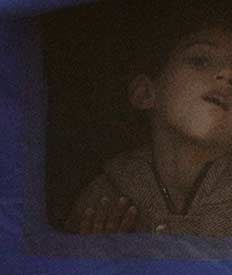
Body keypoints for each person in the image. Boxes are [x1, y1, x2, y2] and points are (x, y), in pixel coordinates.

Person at [68, 2, 232, 236]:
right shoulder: (106, 195)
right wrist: (97, 254)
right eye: (201, 60)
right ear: (145, 94)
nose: (227, 75)